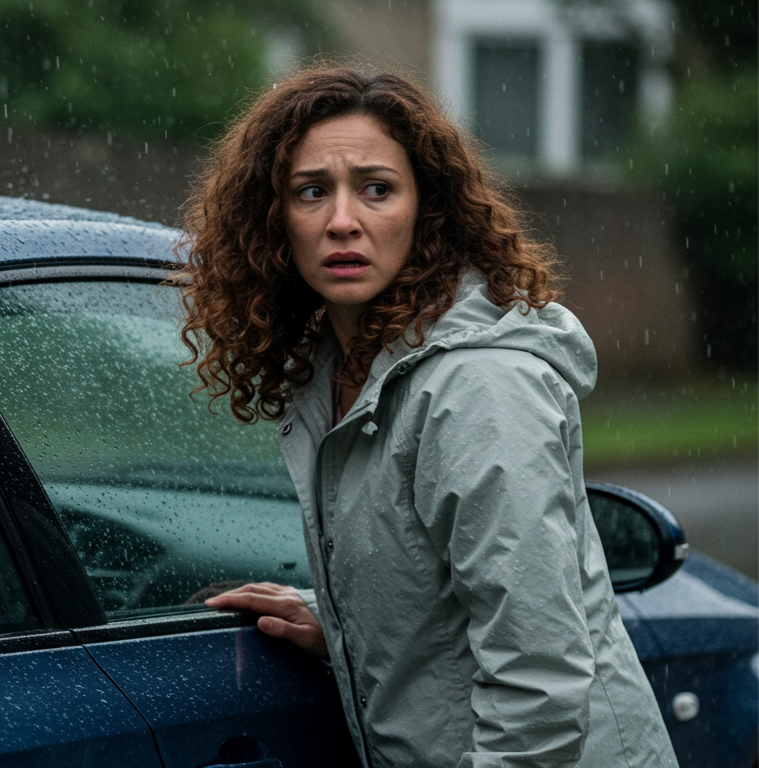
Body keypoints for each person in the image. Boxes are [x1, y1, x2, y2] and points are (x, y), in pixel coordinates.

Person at [178, 64, 678, 768]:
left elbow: (539, 677)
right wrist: (342, 625)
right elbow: (431, 579)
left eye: (376, 189)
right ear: (271, 218)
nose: (342, 221)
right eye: (311, 191)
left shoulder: (479, 387)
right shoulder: (334, 374)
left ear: (427, 209)